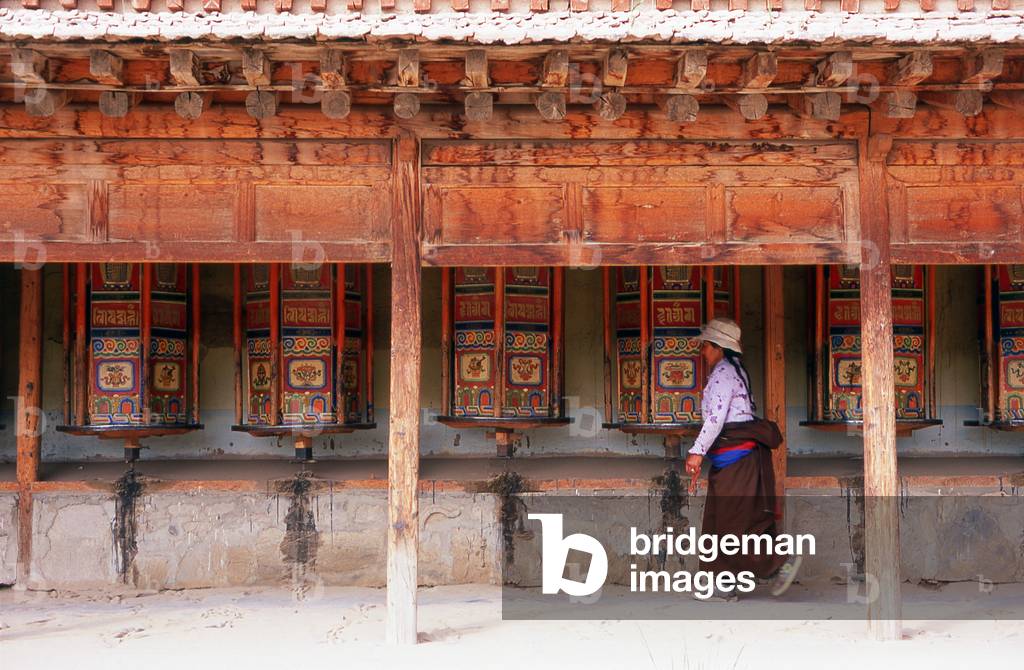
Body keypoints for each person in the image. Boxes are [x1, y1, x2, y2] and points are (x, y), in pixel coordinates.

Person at [683, 317, 801, 601]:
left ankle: (779, 564)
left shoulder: (724, 374)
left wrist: (696, 453)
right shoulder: (735, 370)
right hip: (733, 459)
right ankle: (720, 582)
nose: (703, 352)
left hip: (738, 460)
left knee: (734, 523)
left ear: (717, 348)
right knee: (717, 520)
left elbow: (714, 420)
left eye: (706, 347)